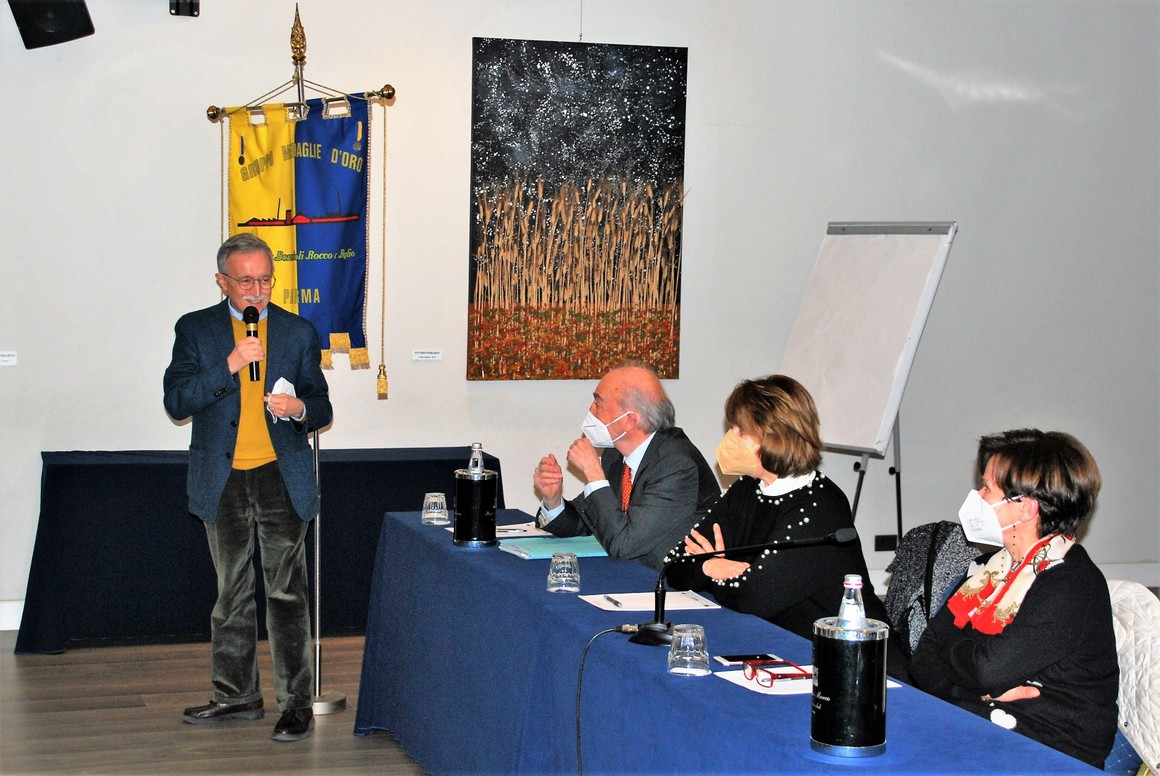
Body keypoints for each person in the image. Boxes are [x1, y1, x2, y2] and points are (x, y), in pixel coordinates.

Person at [163, 233, 333, 743]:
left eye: (265, 280)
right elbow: (177, 401)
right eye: (246, 281)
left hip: (282, 475)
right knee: (231, 592)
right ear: (222, 281)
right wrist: (230, 365)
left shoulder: (298, 331)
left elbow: (321, 405)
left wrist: (299, 410)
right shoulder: (195, 329)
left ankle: (296, 704)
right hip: (223, 479)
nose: (257, 291)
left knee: (286, 593)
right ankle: (237, 695)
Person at [665, 374, 910, 679]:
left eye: (741, 429)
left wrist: (711, 570)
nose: (730, 435)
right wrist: (712, 566)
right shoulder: (746, 489)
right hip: (782, 650)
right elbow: (674, 565)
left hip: (852, 664)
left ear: (774, 436)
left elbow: (754, 597)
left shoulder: (821, 506)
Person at [910, 429, 1118, 768]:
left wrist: (968, 666)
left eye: (987, 488)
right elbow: (924, 659)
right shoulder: (994, 568)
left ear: (1025, 507)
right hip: (985, 721)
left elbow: (985, 668)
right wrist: (978, 688)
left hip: (1053, 750)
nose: (978, 496)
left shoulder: (1071, 584)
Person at [532, 363, 719, 571]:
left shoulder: (676, 466)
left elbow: (624, 544)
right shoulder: (616, 453)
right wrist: (553, 499)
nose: (591, 410)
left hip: (673, 582)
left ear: (629, 420)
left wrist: (594, 474)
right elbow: (590, 521)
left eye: (598, 404)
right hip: (634, 573)